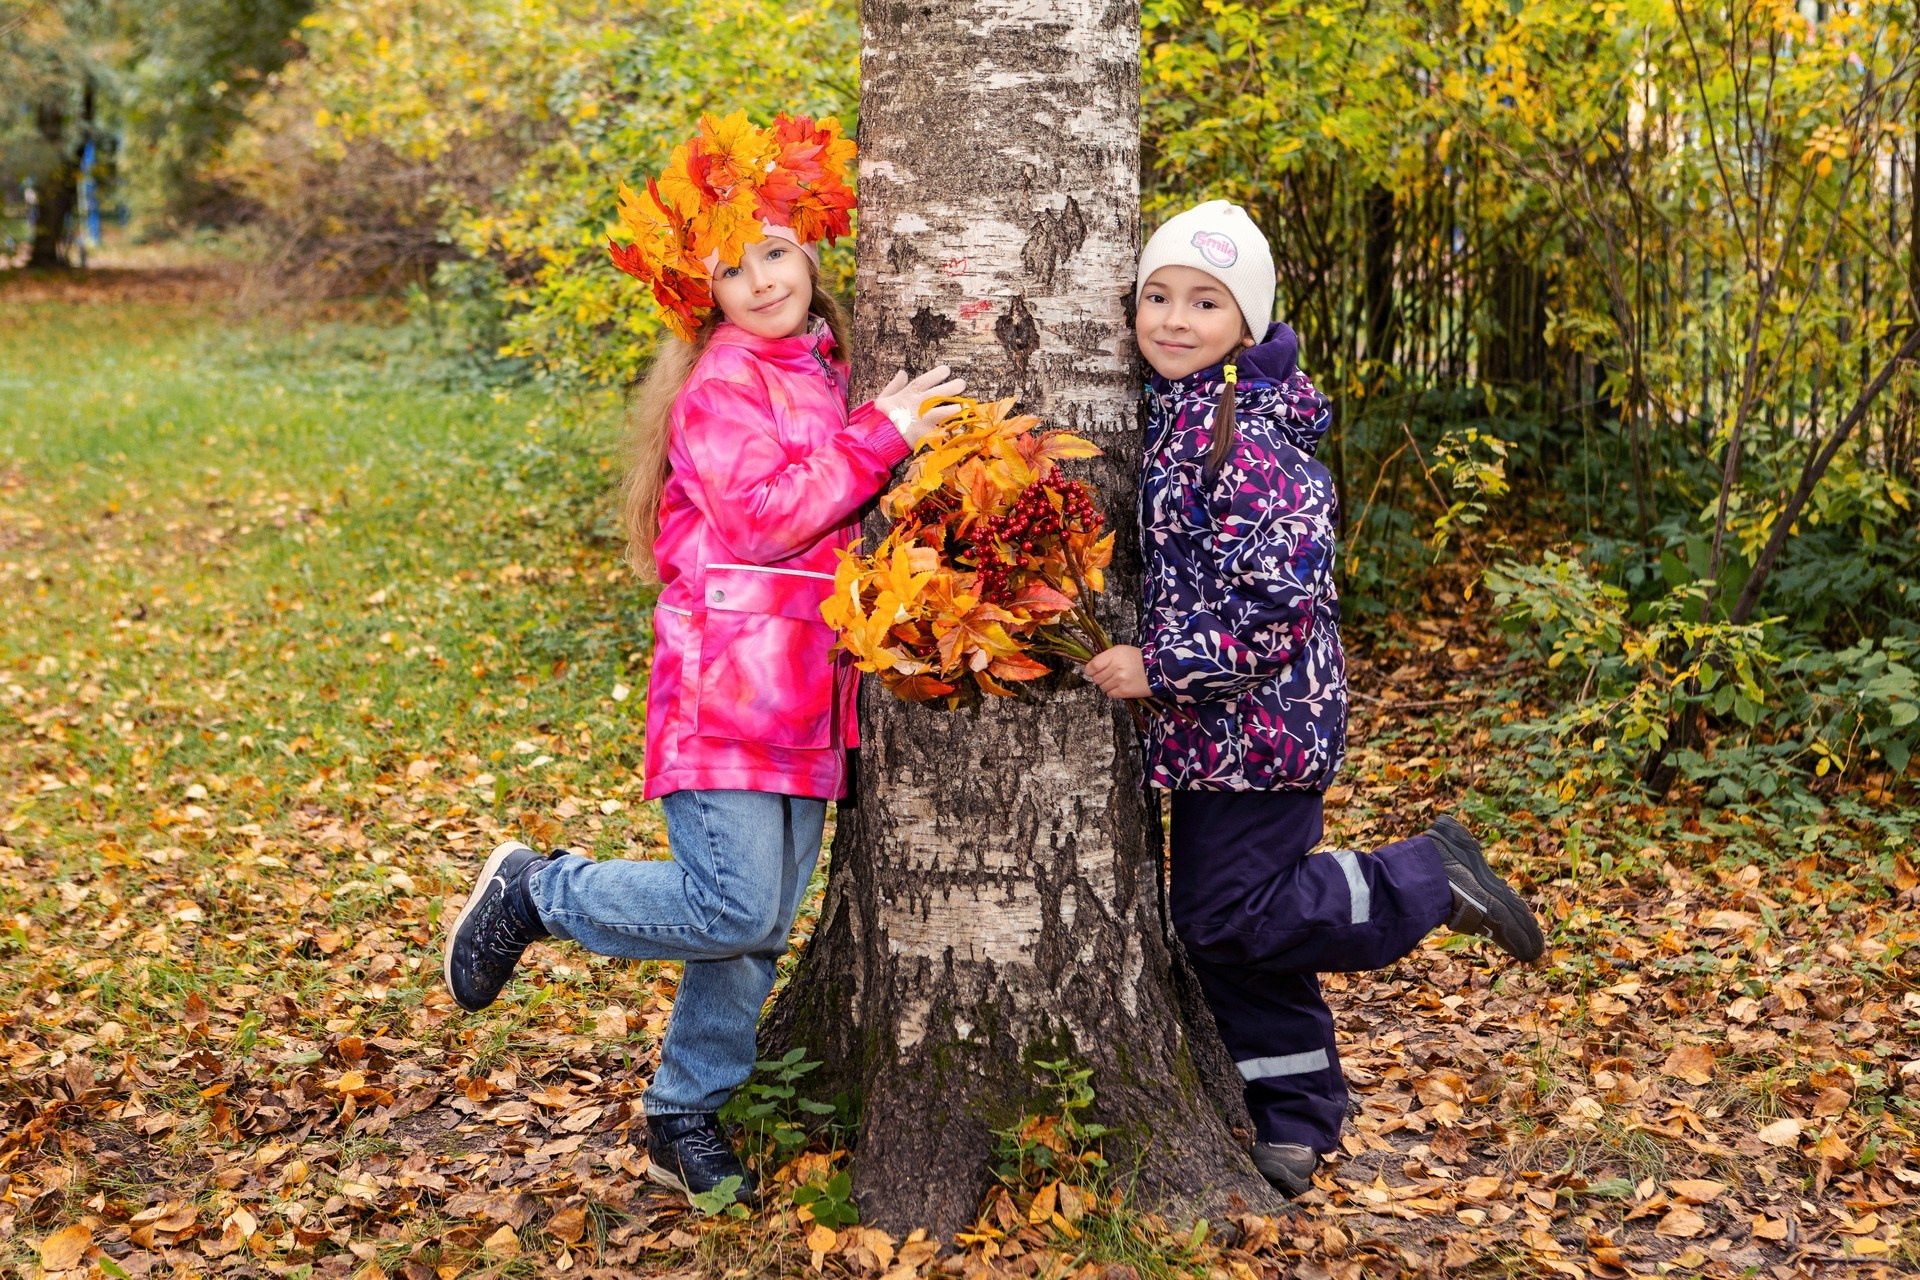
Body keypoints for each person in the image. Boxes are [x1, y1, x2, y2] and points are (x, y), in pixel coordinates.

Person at [440, 112, 963, 1204]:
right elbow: (769, 516)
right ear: (706, 293)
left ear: (810, 253)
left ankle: (687, 1107)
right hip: (728, 687)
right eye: (734, 266)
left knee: (761, 924)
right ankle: (541, 892)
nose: (763, 278)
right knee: (731, 906)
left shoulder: (824, 363)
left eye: (775, 250)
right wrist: (886, 433)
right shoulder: (726, 384)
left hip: (811, 697)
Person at [1083, 199, 1545, 1198]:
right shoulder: (1183, 412)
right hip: (1215, 732)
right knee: (1234, 929)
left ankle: (1429, 876)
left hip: (1262, 725)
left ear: (1246, 324)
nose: (1171, 317)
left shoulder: (1250, 440)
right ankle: (1294, 1110)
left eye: (1204, 301)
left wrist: (1156, 668)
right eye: (1156, 296)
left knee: (1226, 916)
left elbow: (1278, 611)